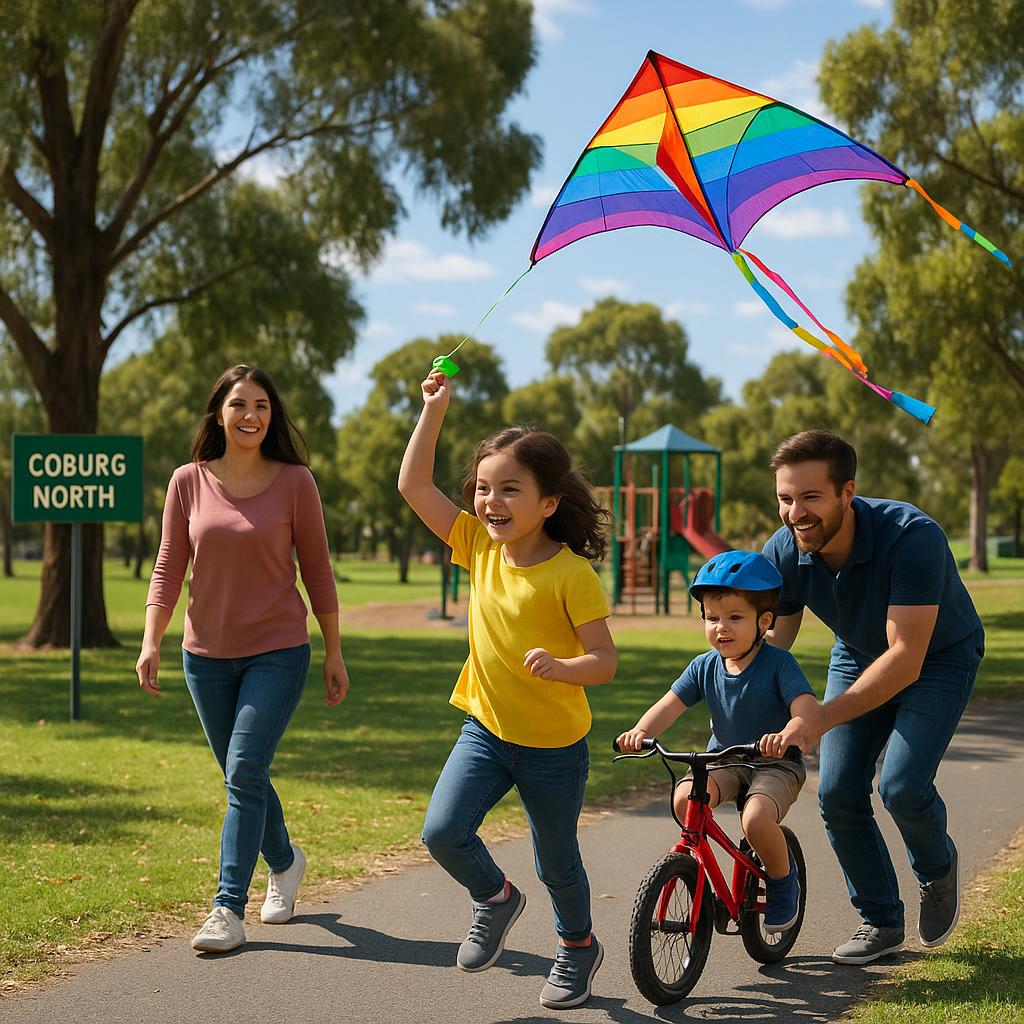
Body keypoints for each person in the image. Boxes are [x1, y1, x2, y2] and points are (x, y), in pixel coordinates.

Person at [397, 369, 616, 1011]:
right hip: (486, 730)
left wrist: (563, 667)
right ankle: (495, 898)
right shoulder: (477, 545)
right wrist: (434, 410)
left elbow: (604, 662)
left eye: (510, 489)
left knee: (557, 864)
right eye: (483, 487)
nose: (491, 500)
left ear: (548, 503)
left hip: (554, 748)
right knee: (443, 832)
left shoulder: (571, 575)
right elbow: (413, 485)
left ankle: (577, 947)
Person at [136, 364, 349, 954]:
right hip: (204, 656)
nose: (250, 415)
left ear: (272, 416)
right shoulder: (188, 481)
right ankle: (285, 861)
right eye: (239, 405)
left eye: (261, 405)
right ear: (219, 413)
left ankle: (226, 909)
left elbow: (318, 570)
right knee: (242, 776)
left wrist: (334, 651)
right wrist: (152, 640)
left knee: (246, 769)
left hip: (278, 650)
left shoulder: (296, 482)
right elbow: (168, 566)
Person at [762, 429, 984, 965]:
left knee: (902, 786)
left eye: (811, 497)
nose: (796, 513)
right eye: (786, 498)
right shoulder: (785, 549)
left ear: (847, 491)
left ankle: (936, 869)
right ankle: (881, 920)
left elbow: (906, 658)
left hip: (938, 657)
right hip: (857, 653)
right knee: (837, 792)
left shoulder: (912, 536)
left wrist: (819, 718)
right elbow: (774, 644)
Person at [617, 550, 817, 932]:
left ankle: (782, 881)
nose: (721, 628)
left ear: (764, 622)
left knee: (756, 819)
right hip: (724, 759)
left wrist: (790, 733)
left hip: (774, 763)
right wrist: (641, 732)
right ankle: (703, 876)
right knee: (684, 800)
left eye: (735, 618)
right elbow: (670, 704)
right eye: (712, 618)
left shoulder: (779, 664)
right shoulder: (704, 665)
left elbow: (805, 707)